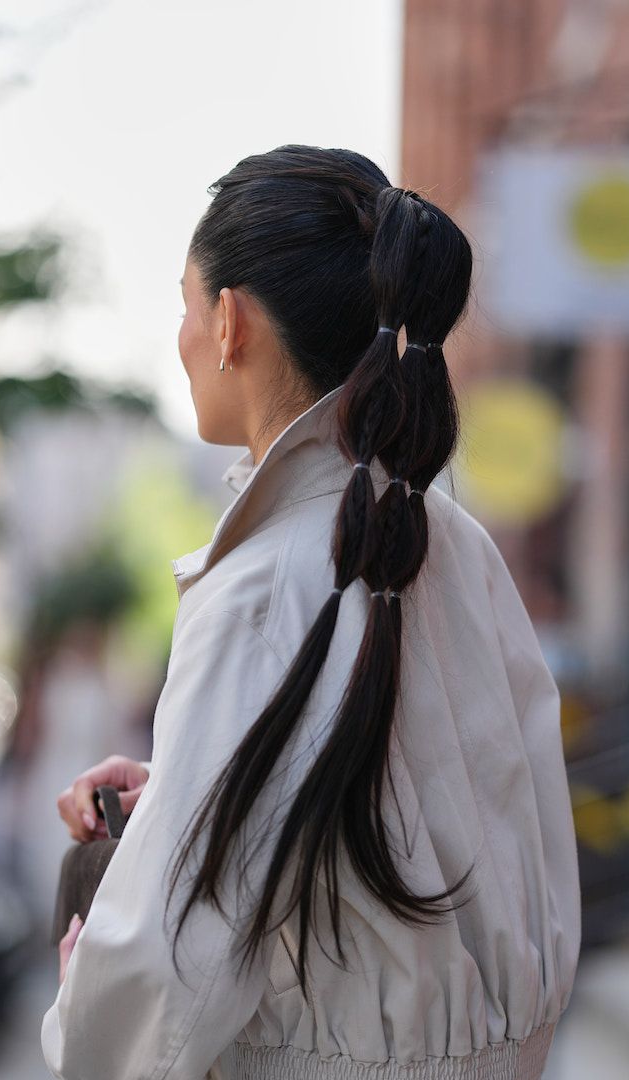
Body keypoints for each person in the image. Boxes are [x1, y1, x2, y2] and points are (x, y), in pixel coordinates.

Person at [41, 144, 580, 1080]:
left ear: (228, 323)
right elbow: (466, 812)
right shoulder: (454, 545)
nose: (178, 334)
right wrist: (184, 789)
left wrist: (78, 1022)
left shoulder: (259, 586)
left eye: (183, 304)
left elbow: (168, 964)